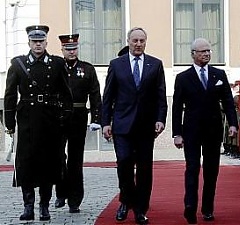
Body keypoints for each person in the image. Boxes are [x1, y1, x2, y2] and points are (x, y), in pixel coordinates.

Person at [4, 25, 72, 221]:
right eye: (34, 42)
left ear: (46, 42)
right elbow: (9, 96)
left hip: (50, 120)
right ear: (29, 43)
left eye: (41, 41)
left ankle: (44, 206)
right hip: (27, 121)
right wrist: (9, 123)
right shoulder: (18, 64)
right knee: (26, 163)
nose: (38, 45)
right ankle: (28, 206)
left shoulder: (57, 64)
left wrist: (65, 117)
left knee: (48, 163)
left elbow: (66, 93)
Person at [102, 27, 168, 225]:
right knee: (124, 162)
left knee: (145, 169)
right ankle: (125, 201)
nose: (138, 44)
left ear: (146, 42)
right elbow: (108, 97)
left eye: (142, 41)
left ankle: (140, 209)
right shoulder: (117, 64)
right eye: (135, 40)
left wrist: (160, 119)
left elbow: (160, 96)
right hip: (122, 125)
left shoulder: (155, 65)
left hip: (146, 126)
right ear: (128, 41)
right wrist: (105, 122)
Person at [172, 38, 238, 224]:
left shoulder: (219, 74)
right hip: (191, 131)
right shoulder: (183, 78)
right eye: (202, 52)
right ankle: (190, 206)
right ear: (193, 54)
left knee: (211, 170)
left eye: (209, 51)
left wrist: (233, 124)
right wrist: (177, 134)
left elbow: (227, 101)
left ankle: (208, 208)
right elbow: (176, 108)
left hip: (213, 130)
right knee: (192, 169)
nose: (207, 54)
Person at [54, 34, 102, 213]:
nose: (71, 52)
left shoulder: (87, 69)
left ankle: (74, 200)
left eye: (74, 48)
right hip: (58, 118)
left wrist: (96, 119)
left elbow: (95, 95)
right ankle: (61, 192)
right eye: (68, 49)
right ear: (62, 50)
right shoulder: (56, 68)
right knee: (58, 157)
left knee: (75, 159)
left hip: (78, 116)